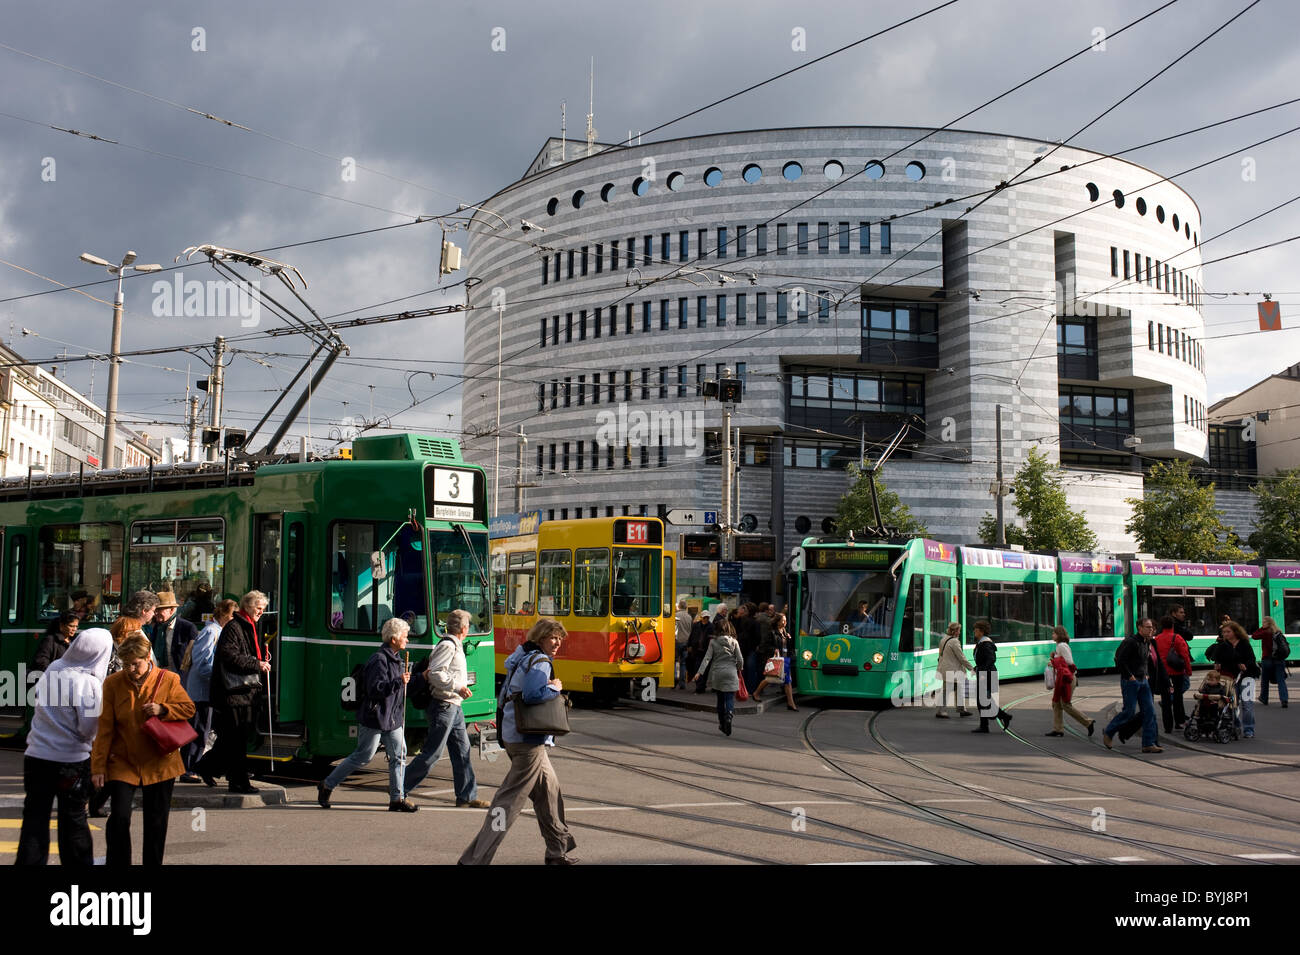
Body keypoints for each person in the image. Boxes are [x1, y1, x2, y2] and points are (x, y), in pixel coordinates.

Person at [459, 618, 577, 865]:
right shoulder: (540, 662)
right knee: (508, 802)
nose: (557, 643)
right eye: (553, 637)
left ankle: (557, 850)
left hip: (517, 735)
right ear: (541, 637)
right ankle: (474, 859)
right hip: (529, 741)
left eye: (560, 638)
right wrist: (554, 687)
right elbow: (534, 695)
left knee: (550, 793)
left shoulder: (521, 657)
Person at [91, 631, 196, 866]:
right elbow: (105, 727)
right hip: (123, 760)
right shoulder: (113, 683)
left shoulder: (168, 679)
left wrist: (164, 709)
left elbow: (188, 709)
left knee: (156, 822)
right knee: (118, 817)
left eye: (135, 664)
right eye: (125, 664)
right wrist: (98, 766)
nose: (130, 669)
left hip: (160, 761)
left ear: (148, 656)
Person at [16, 628, 112, 865]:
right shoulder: (88, 683)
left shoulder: (54, 668)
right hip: (71, 761)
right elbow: (87, 729)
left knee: (35, 818)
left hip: (36, 755)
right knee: (73, 819)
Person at [318, 617, 416, 811]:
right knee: (363, 756)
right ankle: (327, 784)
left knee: (399, 755)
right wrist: (399, 682)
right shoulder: (379, 660)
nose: (407, 640)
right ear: (394, 639)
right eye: (405, 636)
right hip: (376, 717)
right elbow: (375, 689)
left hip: (392, 718)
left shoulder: (394, 659)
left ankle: (397, 798)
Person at [403, 610, 490, 808]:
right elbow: (435, 674)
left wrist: (458, 689)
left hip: (454, 705)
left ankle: (467, 796)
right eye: (469, 625)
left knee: (462, 750)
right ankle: (399, 789)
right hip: (443, 705)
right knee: (432, 753)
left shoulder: (456, 645)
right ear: (464, 628)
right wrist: (457, 687)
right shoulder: (447, 646)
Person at [201, 590, 272, 794]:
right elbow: (229, 655)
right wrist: (256, 663)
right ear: (248, 606)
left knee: (233, 738)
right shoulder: (235, 626)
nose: (261, 612)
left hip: (242, 692)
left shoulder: (246, 625)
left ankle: (206, 767)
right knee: (237, 740)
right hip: (233, 693)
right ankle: (238, 782)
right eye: (259, 608)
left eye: (263, 609)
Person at [180, 598, 235, 783]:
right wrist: (221, 676)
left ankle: (196, 766)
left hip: (206, 691)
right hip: (201, 691)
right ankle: (189, 768)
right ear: (227, 615)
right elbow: (203, 662)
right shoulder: (211, 631)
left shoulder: (217, 630)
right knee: (198, 729)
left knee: (203, 729)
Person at [1103, 619, 1161, 753]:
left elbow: (1144, 661)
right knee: (1129, 712)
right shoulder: (1131, 642)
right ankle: (1109, 732)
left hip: (1143, 681)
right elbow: (1119, 660)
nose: (1151, 630)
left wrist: (1145, 674)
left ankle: (1148, 743)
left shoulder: (1148, 642)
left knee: (1150, 712)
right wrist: (1130, 676)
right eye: (1148, 627)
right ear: (1140, 628)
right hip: (1131, 682)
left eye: (1151, 627)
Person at [691, 614, 744, 736]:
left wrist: (699, 672)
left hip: (718, 673)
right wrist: (739, 668)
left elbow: (707, 658)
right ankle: (729, 715)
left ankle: (721, 722)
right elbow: (740, 659)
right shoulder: (734, 642)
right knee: (729, 697)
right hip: (731, 672)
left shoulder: (713, 642)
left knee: (720, 699)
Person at [1044, 626, 1094, 737]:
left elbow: (1069, 661)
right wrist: (1054, 658)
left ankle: (1088, 722)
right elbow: (1062, 661)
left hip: (1067, 679)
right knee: (1056, 703)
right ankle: (1058, 729)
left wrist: (1054, 662)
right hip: (1062, 678)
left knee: (1065, 704)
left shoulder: (1062, 646)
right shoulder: (1059, 646)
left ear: (1059, 635)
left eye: (1054, 633)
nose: (1052, 635)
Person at [1219, 621, 1259, 738]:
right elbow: (1219, 658)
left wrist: (1245, 665)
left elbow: (1252, 658)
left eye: (1228, 632)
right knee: (1232, 704)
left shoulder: (1244, 644)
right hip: (1231, 678)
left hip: (1246, 676)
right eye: (1224, 632)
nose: (1225, 634)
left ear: (1235, 632)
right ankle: (1235, 726)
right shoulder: (1223, 645)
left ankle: (1249, 729)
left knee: (1247, 704)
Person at [970, 621, 1012, 733]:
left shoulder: (986, 643)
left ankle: (988, 724)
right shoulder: (982, 643)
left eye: (976, 629)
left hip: (987, 675)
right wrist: (976, 668)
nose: (974, 631)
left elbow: (991, 659)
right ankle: (997, 719)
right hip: (986, 673)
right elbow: (984, 660)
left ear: (982, 631)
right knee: (983, 700)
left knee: (982, 701)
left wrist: (982, 671)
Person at [1154, 614, 1192, 729]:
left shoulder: (1157, 638)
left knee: (1165, 699)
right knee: (1177, 698)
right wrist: (1188, 671)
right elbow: (1185, 656)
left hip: (1162, 673)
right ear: (1173, 625)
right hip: (1177, 672)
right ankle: (1179, 722)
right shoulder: (1177, 638)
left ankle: (1167, 726)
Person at [753, 612, 797, 710]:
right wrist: (774, 649)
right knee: (770, 678)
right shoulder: (771, 632)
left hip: (785, 659)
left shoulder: (785, 632)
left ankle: (791, 703)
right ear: (777, 622)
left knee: (787, 681)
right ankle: (756, 693)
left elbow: (788, 646)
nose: (785, 622)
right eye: (783, 620)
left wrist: (789, 639)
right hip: (776, 659)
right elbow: (764, 645)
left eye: (785, 620)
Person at [150, 591, 197, 674]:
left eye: (159, 609)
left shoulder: (187, 628)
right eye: (155, 610)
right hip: (159, 675)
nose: (155, 613)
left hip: (180, 678)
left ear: (172, 610)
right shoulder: (157, 627)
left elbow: (192, 658)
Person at [935, 622, 973, 719]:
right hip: (953, 670)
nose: (959, 632)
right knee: (947, 690)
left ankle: (961, 709)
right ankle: (941, 711)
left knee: (958, 688)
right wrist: (971, 668)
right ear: (955, 631)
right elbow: (961, 657)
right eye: (959, 630)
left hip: (945, 669)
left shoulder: (943, 639)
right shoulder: (954, 642)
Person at [1253, 616, 1289, 708]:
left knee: (1265, 680)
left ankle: (1264, 698)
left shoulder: (1265, 632)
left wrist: (1262, 628)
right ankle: (1284, 700)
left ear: (1268, 623)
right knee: (1281, 680)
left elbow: (1254, 636)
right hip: (1279, 659)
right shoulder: (1278, 632)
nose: (1262, 624)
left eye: (1264, 623)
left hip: (1267, 659)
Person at [674, 600, 693, 689]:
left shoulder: (675, 616)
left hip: (676, 642)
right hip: (686, 642)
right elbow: (691, 630)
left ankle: (674, 681)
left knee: (675, 662)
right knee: (683, 663)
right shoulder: (689, 617)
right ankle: (682, 683)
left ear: (679, 607)